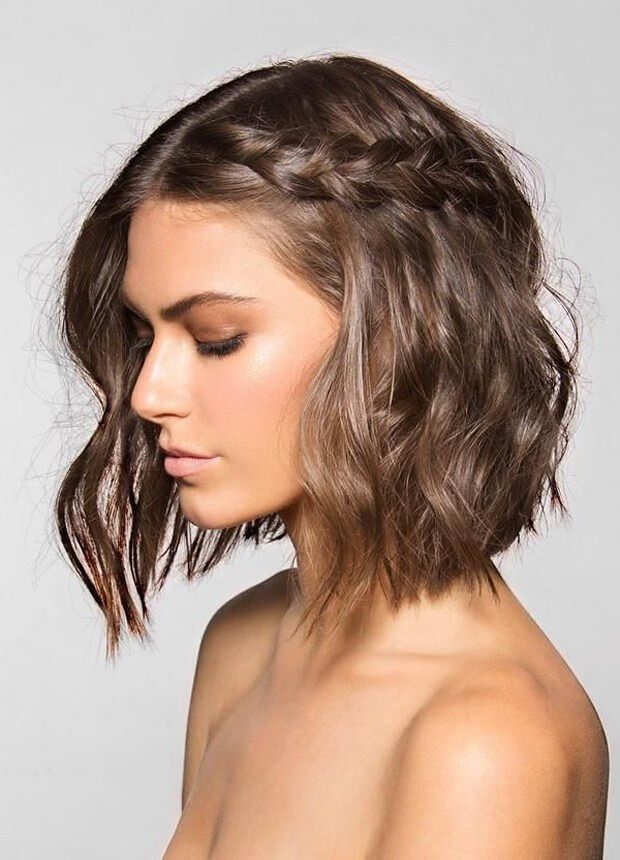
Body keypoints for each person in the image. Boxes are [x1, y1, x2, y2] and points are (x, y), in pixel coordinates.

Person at [54, 52, 609, 857]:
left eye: (216, 338)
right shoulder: (243, 645)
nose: (147, 394)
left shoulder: (485, 742)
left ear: (394, 337)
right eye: (146, 335)